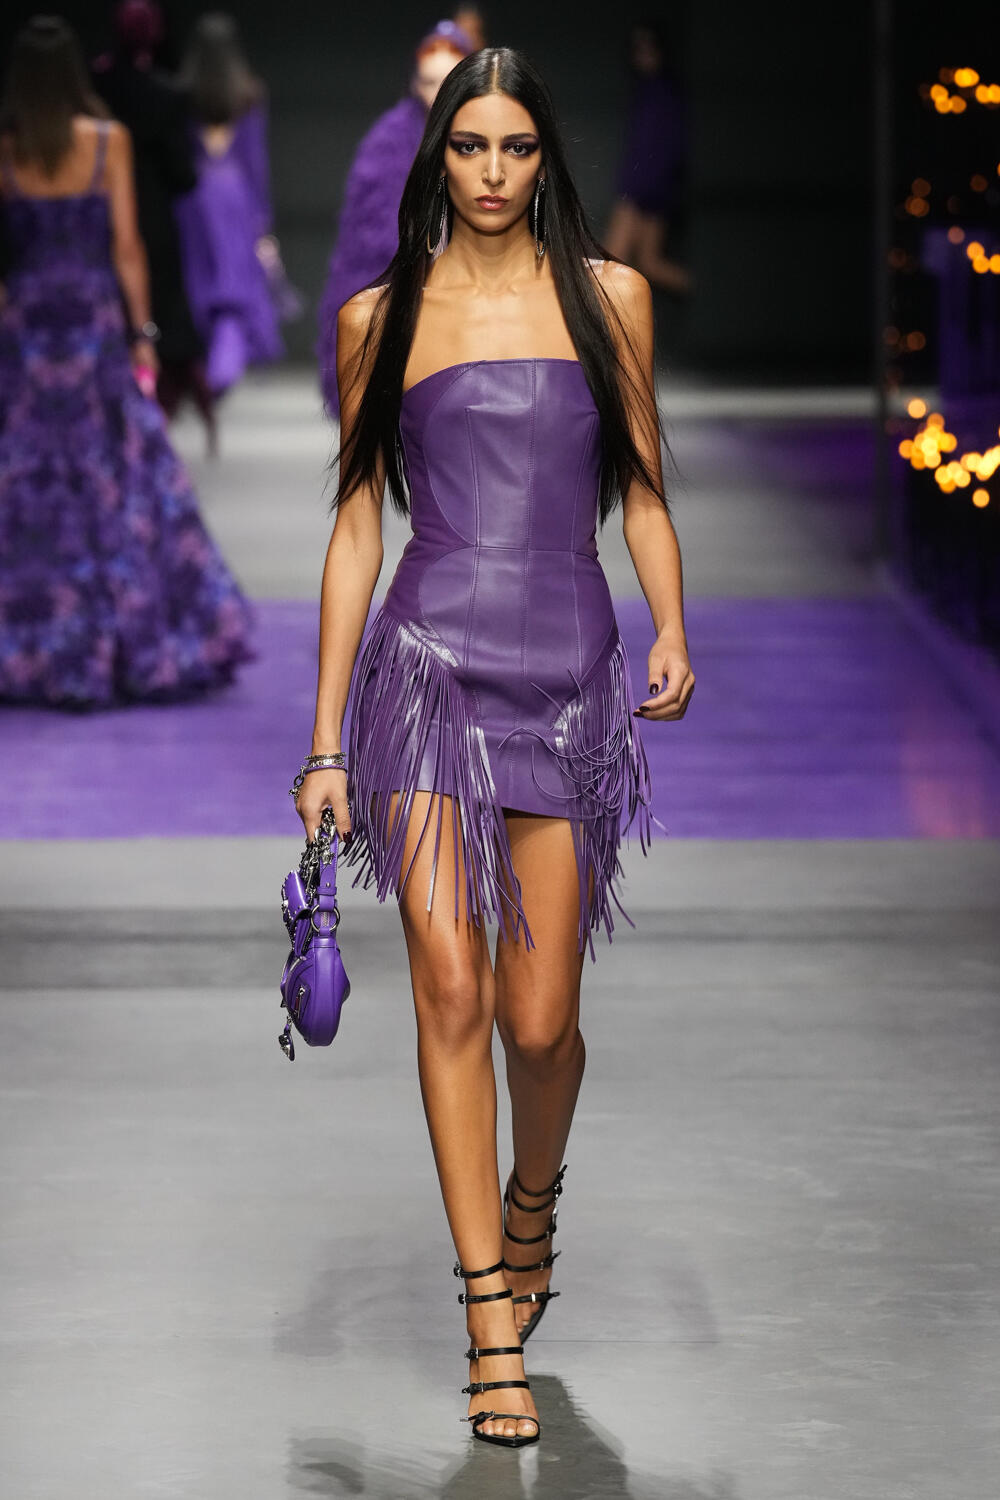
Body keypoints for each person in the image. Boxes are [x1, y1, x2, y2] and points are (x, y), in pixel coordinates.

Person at [295, 48, 694, 1447]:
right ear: (437, 155)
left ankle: (535, 1203)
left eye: (516, 148)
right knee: (451, 990)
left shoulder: (609, 299)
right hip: (426, 675)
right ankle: (486, 1319)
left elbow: (643, 486)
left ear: (545, 158)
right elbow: (357, 527)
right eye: (470, 146)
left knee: (541, 1023)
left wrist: (671, 622)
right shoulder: (379, 317)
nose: (492, 172)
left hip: (570, 677)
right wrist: (325, 740)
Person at [0, 16, 252, 708]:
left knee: (28, 484)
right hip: (92, 329)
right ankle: (112, 637)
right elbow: (127, 247)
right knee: (113, 478)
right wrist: (142, 332)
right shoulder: (107, 142)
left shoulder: (8, 151)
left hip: (26, 334)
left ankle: (33, 644)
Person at [316, 19, 473, 417]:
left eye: (449, 81)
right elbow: (369, 244)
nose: (438, 93)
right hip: (400, 298)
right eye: (429, 81)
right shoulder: (386, 142)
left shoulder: (489, 135)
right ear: (414, 83)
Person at [92, 0, 214, 439]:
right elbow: (183, 176)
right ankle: (153, 414)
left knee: (110, 313)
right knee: (158, 319)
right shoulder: (167, 95)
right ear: (157, 34)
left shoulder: (96, 87)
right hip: (154, 218)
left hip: (97, 219)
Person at [174, 12, 290, 399]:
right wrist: (262, 222)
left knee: (201, 278)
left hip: (194, 198)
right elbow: (254, 160)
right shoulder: (248, 93)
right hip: (235, 195)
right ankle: (224, 360)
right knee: (234, 280)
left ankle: (211, 359)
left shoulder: (183, 94)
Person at [605, 20, 691, 295]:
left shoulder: (665, 94)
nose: (643, 55)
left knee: (611, 265)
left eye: (649, 48)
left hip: (646, 191)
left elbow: (668, 149)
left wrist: (641, 192)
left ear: (660, 51)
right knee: (648, 263)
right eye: (638, 49)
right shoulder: (647, 91)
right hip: (646, 189)